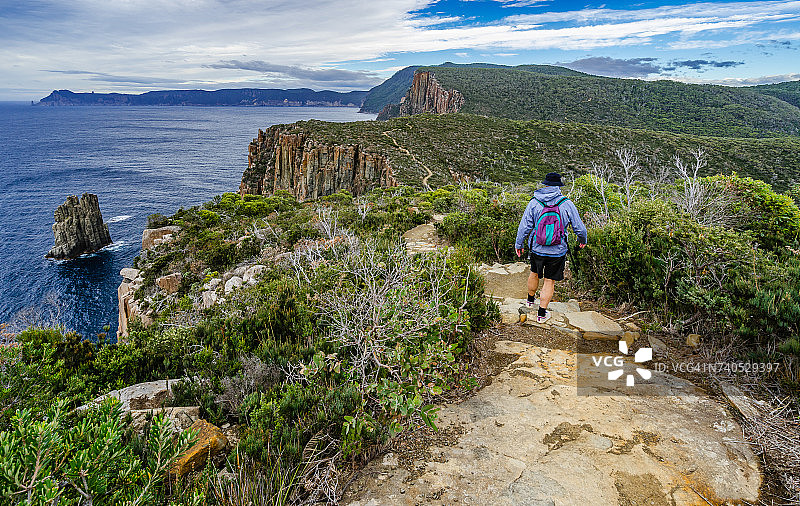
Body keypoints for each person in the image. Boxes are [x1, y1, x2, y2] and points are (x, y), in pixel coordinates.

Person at [515, 172, 587, 323]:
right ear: (559, 186)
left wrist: (519, 244)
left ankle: (530, 301)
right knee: (549, 281)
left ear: (545, 184)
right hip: (557, 251)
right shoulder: (566, 203)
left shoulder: (534, 202)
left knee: (534, 272)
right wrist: (582, 240)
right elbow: (579, 228)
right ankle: (541, 314)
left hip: (537, 248)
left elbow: (524, 226)